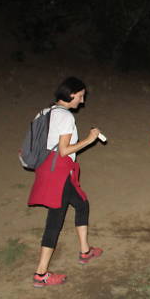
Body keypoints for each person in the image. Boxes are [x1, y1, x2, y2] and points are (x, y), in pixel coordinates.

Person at [27, 77, 103, 288]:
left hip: (47, 169)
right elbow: (64, 150)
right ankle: (41, 273)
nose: (83, 100)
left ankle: (85, 251)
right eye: (80, 95)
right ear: (71, 95)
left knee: (81, 203)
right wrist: (90, 139)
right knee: (55, 221)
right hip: (58, 173)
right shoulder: (66, 117)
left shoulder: (44, 112)